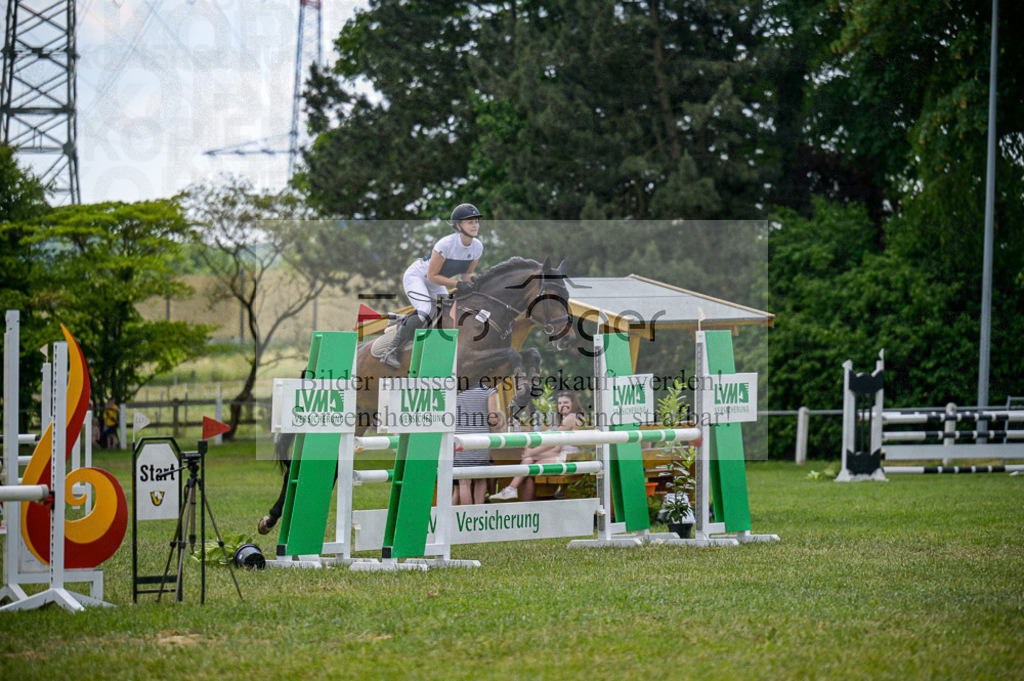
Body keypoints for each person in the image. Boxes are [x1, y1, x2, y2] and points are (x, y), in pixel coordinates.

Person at [381, 203, 484, 369]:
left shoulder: (477, 247)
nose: (475, 225)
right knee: (425, 310)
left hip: (436, 283)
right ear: (459, 226)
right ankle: (390, 351)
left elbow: (466, 275)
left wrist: (477, 282)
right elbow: (432, 275)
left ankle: (402, 321)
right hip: (418, 277)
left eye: (476, 222)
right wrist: (457, 284)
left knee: (448, 312)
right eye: (470, 222)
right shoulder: (446, 244)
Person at [491, 391, 585, 501]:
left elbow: (554, 441)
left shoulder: (571, 418)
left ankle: (515, 494)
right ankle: (511, 489)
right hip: (565, 456)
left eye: (566, 402)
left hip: (569, 459)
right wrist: (533, 453)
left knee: (529, 468)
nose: (562, 405)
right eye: (560, 403)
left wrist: (532, 451)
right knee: (529, 461)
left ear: (573, 403)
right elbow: (557, 446)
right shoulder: (570, 417)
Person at [453, 384, 504, 506]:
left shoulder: (454, 387)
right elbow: (493, 420)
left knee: (464, 482)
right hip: (481, 440)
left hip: (459, 440)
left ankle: (467, 515)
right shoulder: (488, 389)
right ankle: (478, 514)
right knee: (480, 479)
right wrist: (498, 425)